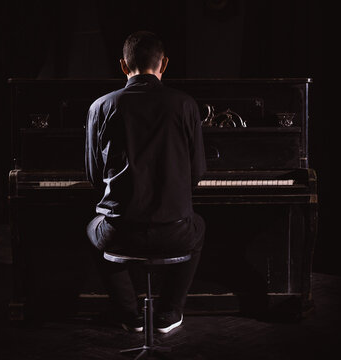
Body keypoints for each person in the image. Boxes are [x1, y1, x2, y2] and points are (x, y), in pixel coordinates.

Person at [85, 31, 206, 334]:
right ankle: (170, 312)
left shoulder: (101, 106)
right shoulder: (186, 104)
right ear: (163, 63)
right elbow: (198, 171)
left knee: (93, 229)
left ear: (123, 67)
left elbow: (92, 174)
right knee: (198, 226)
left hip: (120, 232)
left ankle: (129, 313)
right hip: (174, 232)